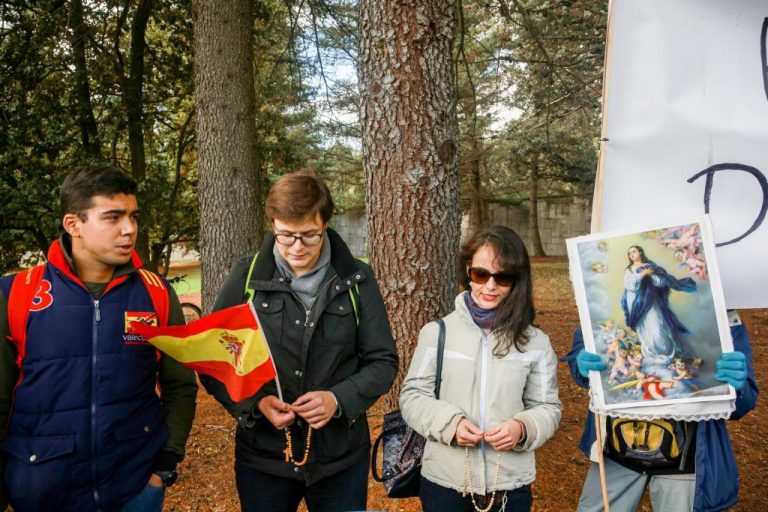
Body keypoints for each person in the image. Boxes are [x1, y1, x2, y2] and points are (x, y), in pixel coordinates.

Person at [0, 166, 198, 511]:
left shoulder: (156, 295)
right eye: (113, 217)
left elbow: (179, 385)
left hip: (135, 488)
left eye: (133, 216)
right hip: (40, 488)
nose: (130, 229)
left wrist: (166, 462)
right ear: (73, 225)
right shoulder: (17, 294)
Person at [200, 170, 398, 512]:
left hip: (340, 459)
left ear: (326, 224)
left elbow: (383, 361)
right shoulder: (246, 278)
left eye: (309, 235)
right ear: (273, 224)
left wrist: (337, 399)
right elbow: (215, 361)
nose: (296, 247)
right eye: (286, 235)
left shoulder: (357, 280)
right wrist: (256, 404)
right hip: (264, 458)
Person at [399, 225, 561, 512]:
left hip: (510, 486)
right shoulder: (436, 333)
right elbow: (412, 397)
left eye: (503, 277)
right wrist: (450, 424)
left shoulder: (536, 342)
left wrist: (522, 427)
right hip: (445, 484)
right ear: (467, 272)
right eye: (481, 274)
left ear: (517, 280)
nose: (490, 286)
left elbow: (548, 407)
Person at [567, 310, 758, 511]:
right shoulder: (606, 308)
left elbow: (744, 402)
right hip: (616, 452)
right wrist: (583, 367)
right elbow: (583, 362)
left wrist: (736, 388)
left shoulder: (720, 314)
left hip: (685, 462)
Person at [621, 245, 696, 363]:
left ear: (640, 252)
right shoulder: (629, 270)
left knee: (657, 328)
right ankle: (652, 358)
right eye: (629, 253)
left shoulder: (651, 267)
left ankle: (667, 354)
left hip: (651, 302)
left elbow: (663, 281)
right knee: (644, 330)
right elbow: (629, 285)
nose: (631, 254)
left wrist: (650, 276)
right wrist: (642, 275)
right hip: (636, 305)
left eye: (634, 251)